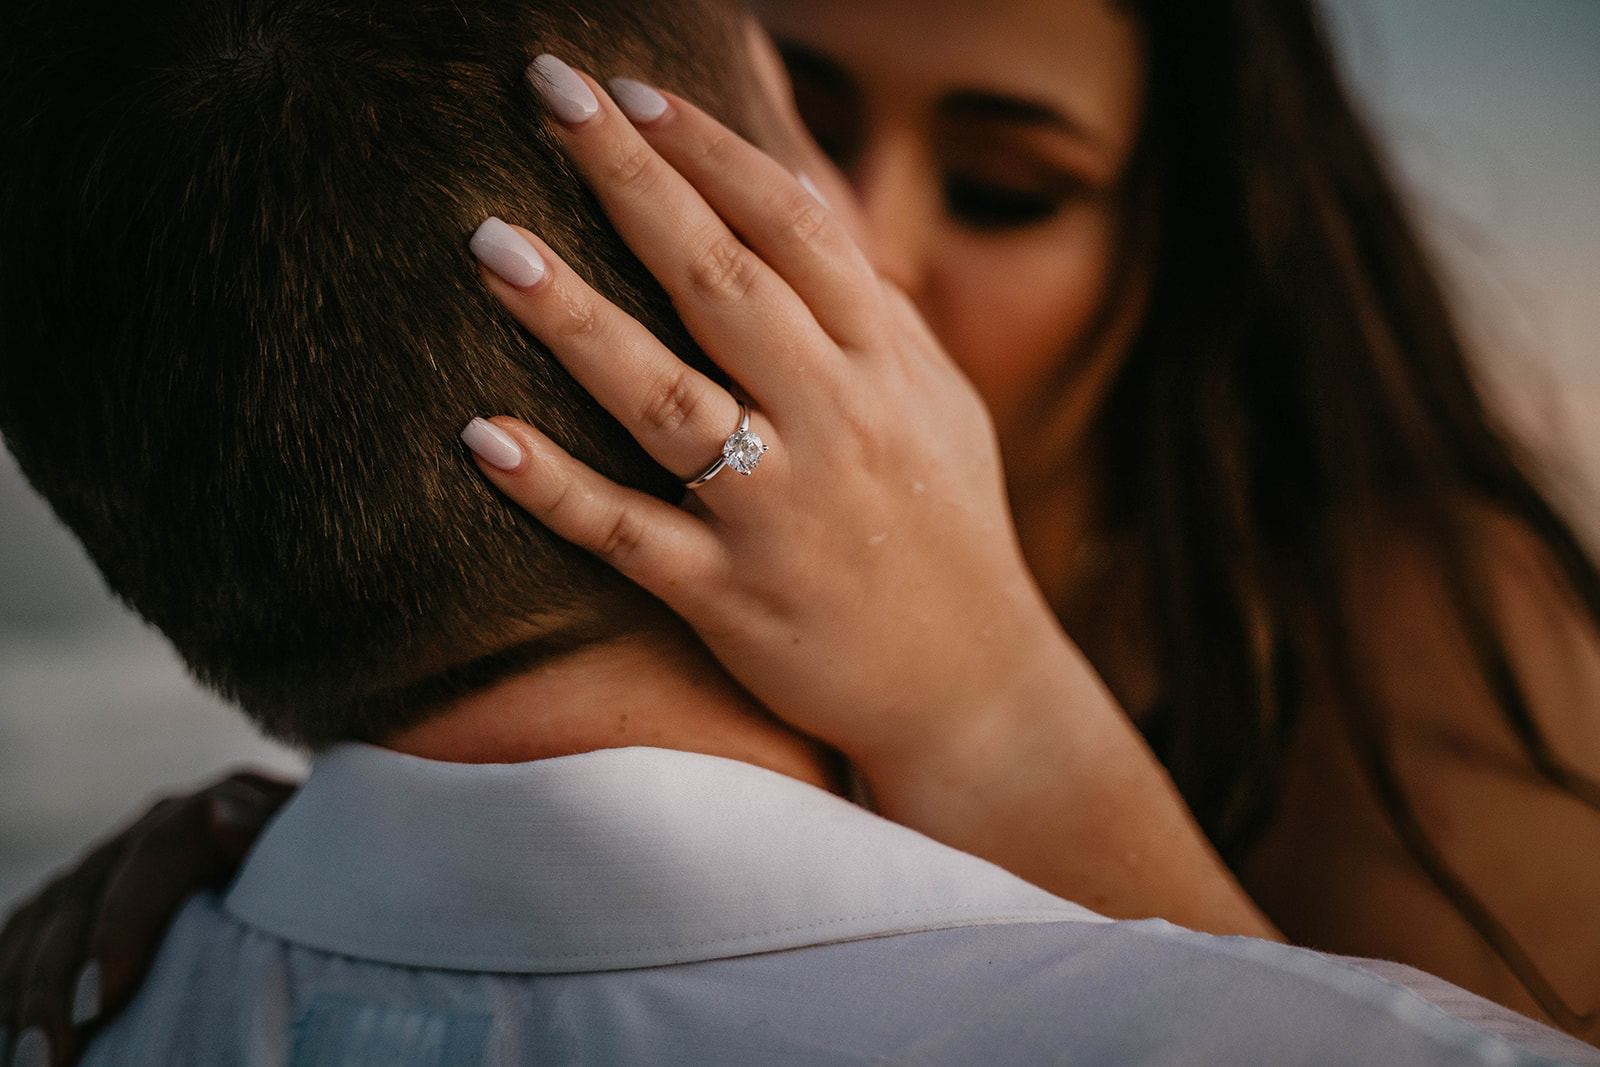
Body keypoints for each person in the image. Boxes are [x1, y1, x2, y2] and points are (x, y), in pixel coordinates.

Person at [4, 0, 1600, 1056]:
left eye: (1006, 186)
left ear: (1183, 255)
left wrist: (991, 708)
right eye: (810, 126)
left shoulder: (1412, 616)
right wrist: (347, 854)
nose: (867, 244)